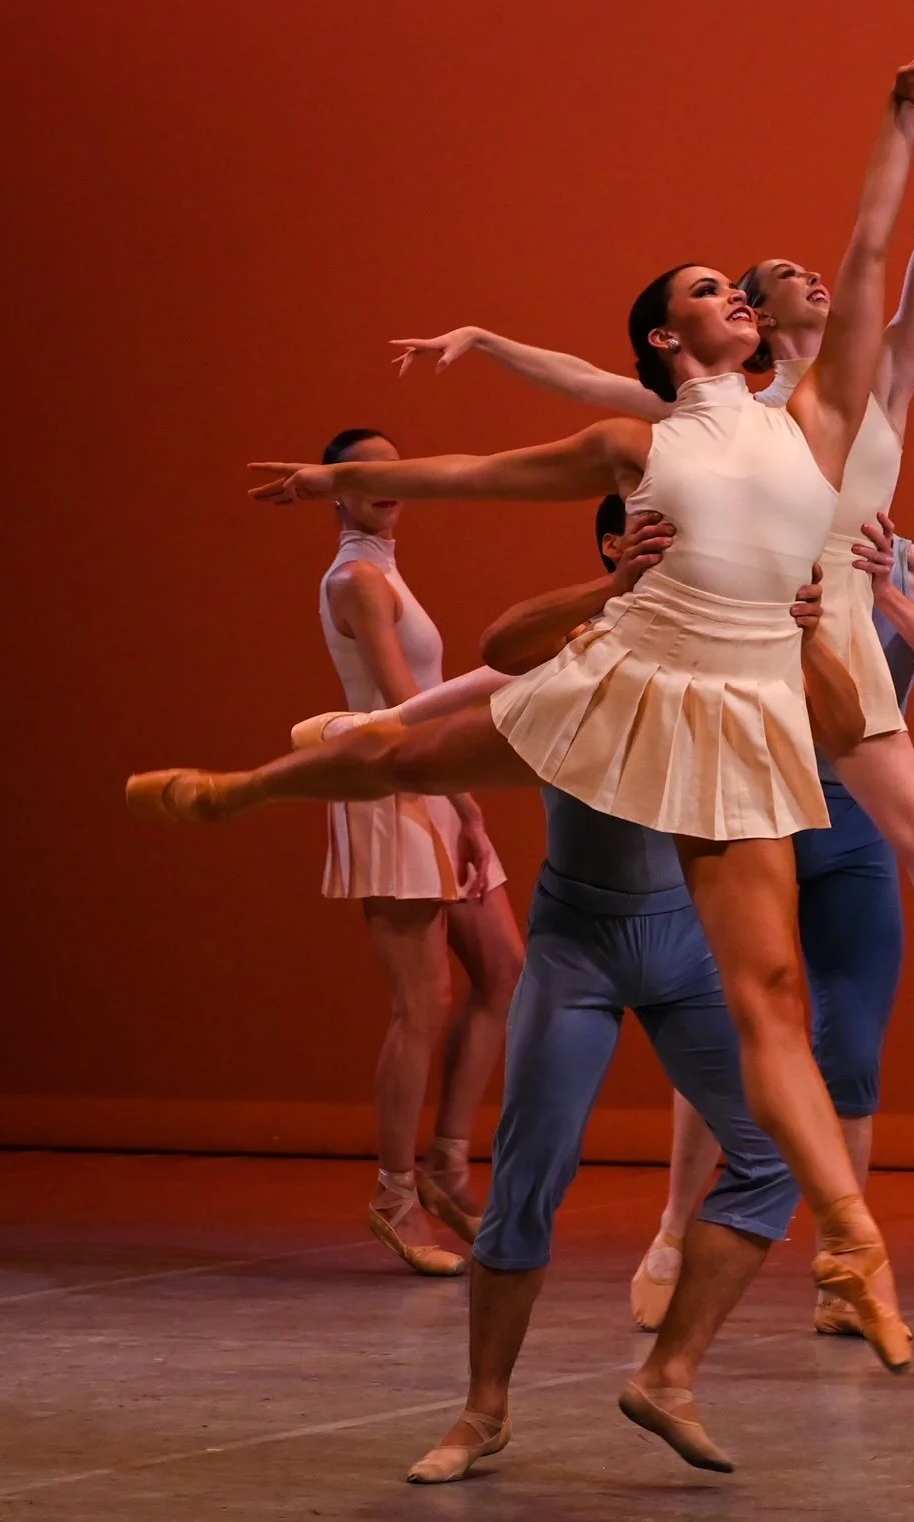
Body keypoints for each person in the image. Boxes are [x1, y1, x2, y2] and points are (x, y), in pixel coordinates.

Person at [126, 31, 914, 1374]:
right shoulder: (633, 442)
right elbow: (481, 469)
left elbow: (875, 255)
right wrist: (330, 485)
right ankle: (236, 786)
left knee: (770, 996)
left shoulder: (816, 418)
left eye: (738, 286)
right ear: (670, 337)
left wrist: (905, 114)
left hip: (740, 716)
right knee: (403, 755)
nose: (740, 296)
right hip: (637, 674)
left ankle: (851, 1244)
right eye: (715, 291)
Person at [386, 48, 914, 1094]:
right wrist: (488, 339)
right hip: (742, 616)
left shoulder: (876, 381)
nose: (808, 277)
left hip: (831, 625)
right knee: (559, 684)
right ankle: (379, 729)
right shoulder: (735, 412)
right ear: (755, 321)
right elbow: (592, 377)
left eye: (805, 272)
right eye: (774, 280)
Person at [408, 511, 861, 1483]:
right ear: (624, 544)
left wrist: (807, 635)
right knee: (531, 1175)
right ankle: (482, 1411)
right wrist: (611, 587)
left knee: (775, 1147)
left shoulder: (738, 649)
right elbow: (494, 653)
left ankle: (671, 1376)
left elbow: (846, 729)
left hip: (684, 942)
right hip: (577, 944)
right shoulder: (586, 644)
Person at [633, 507, 914, 1336]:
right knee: (730, 1028)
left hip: (854, 817)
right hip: (756, 802)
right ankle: (672, 1232)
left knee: (851, 1049)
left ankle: (846, 1269)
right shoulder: (756, 537)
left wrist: (888, 601)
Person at [309, 427, 525, 1275]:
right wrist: (466, 798)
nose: (387, 482)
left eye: (396, 469)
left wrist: (460, 797)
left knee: (504, 970)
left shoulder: (386, 568)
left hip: (433, 780)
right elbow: (405, 701)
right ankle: (394, 1193)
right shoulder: (359, 578)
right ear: (335, 492)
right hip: (393, 784)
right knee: (422, 1001)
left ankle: (445, 1164)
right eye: (365, 472)